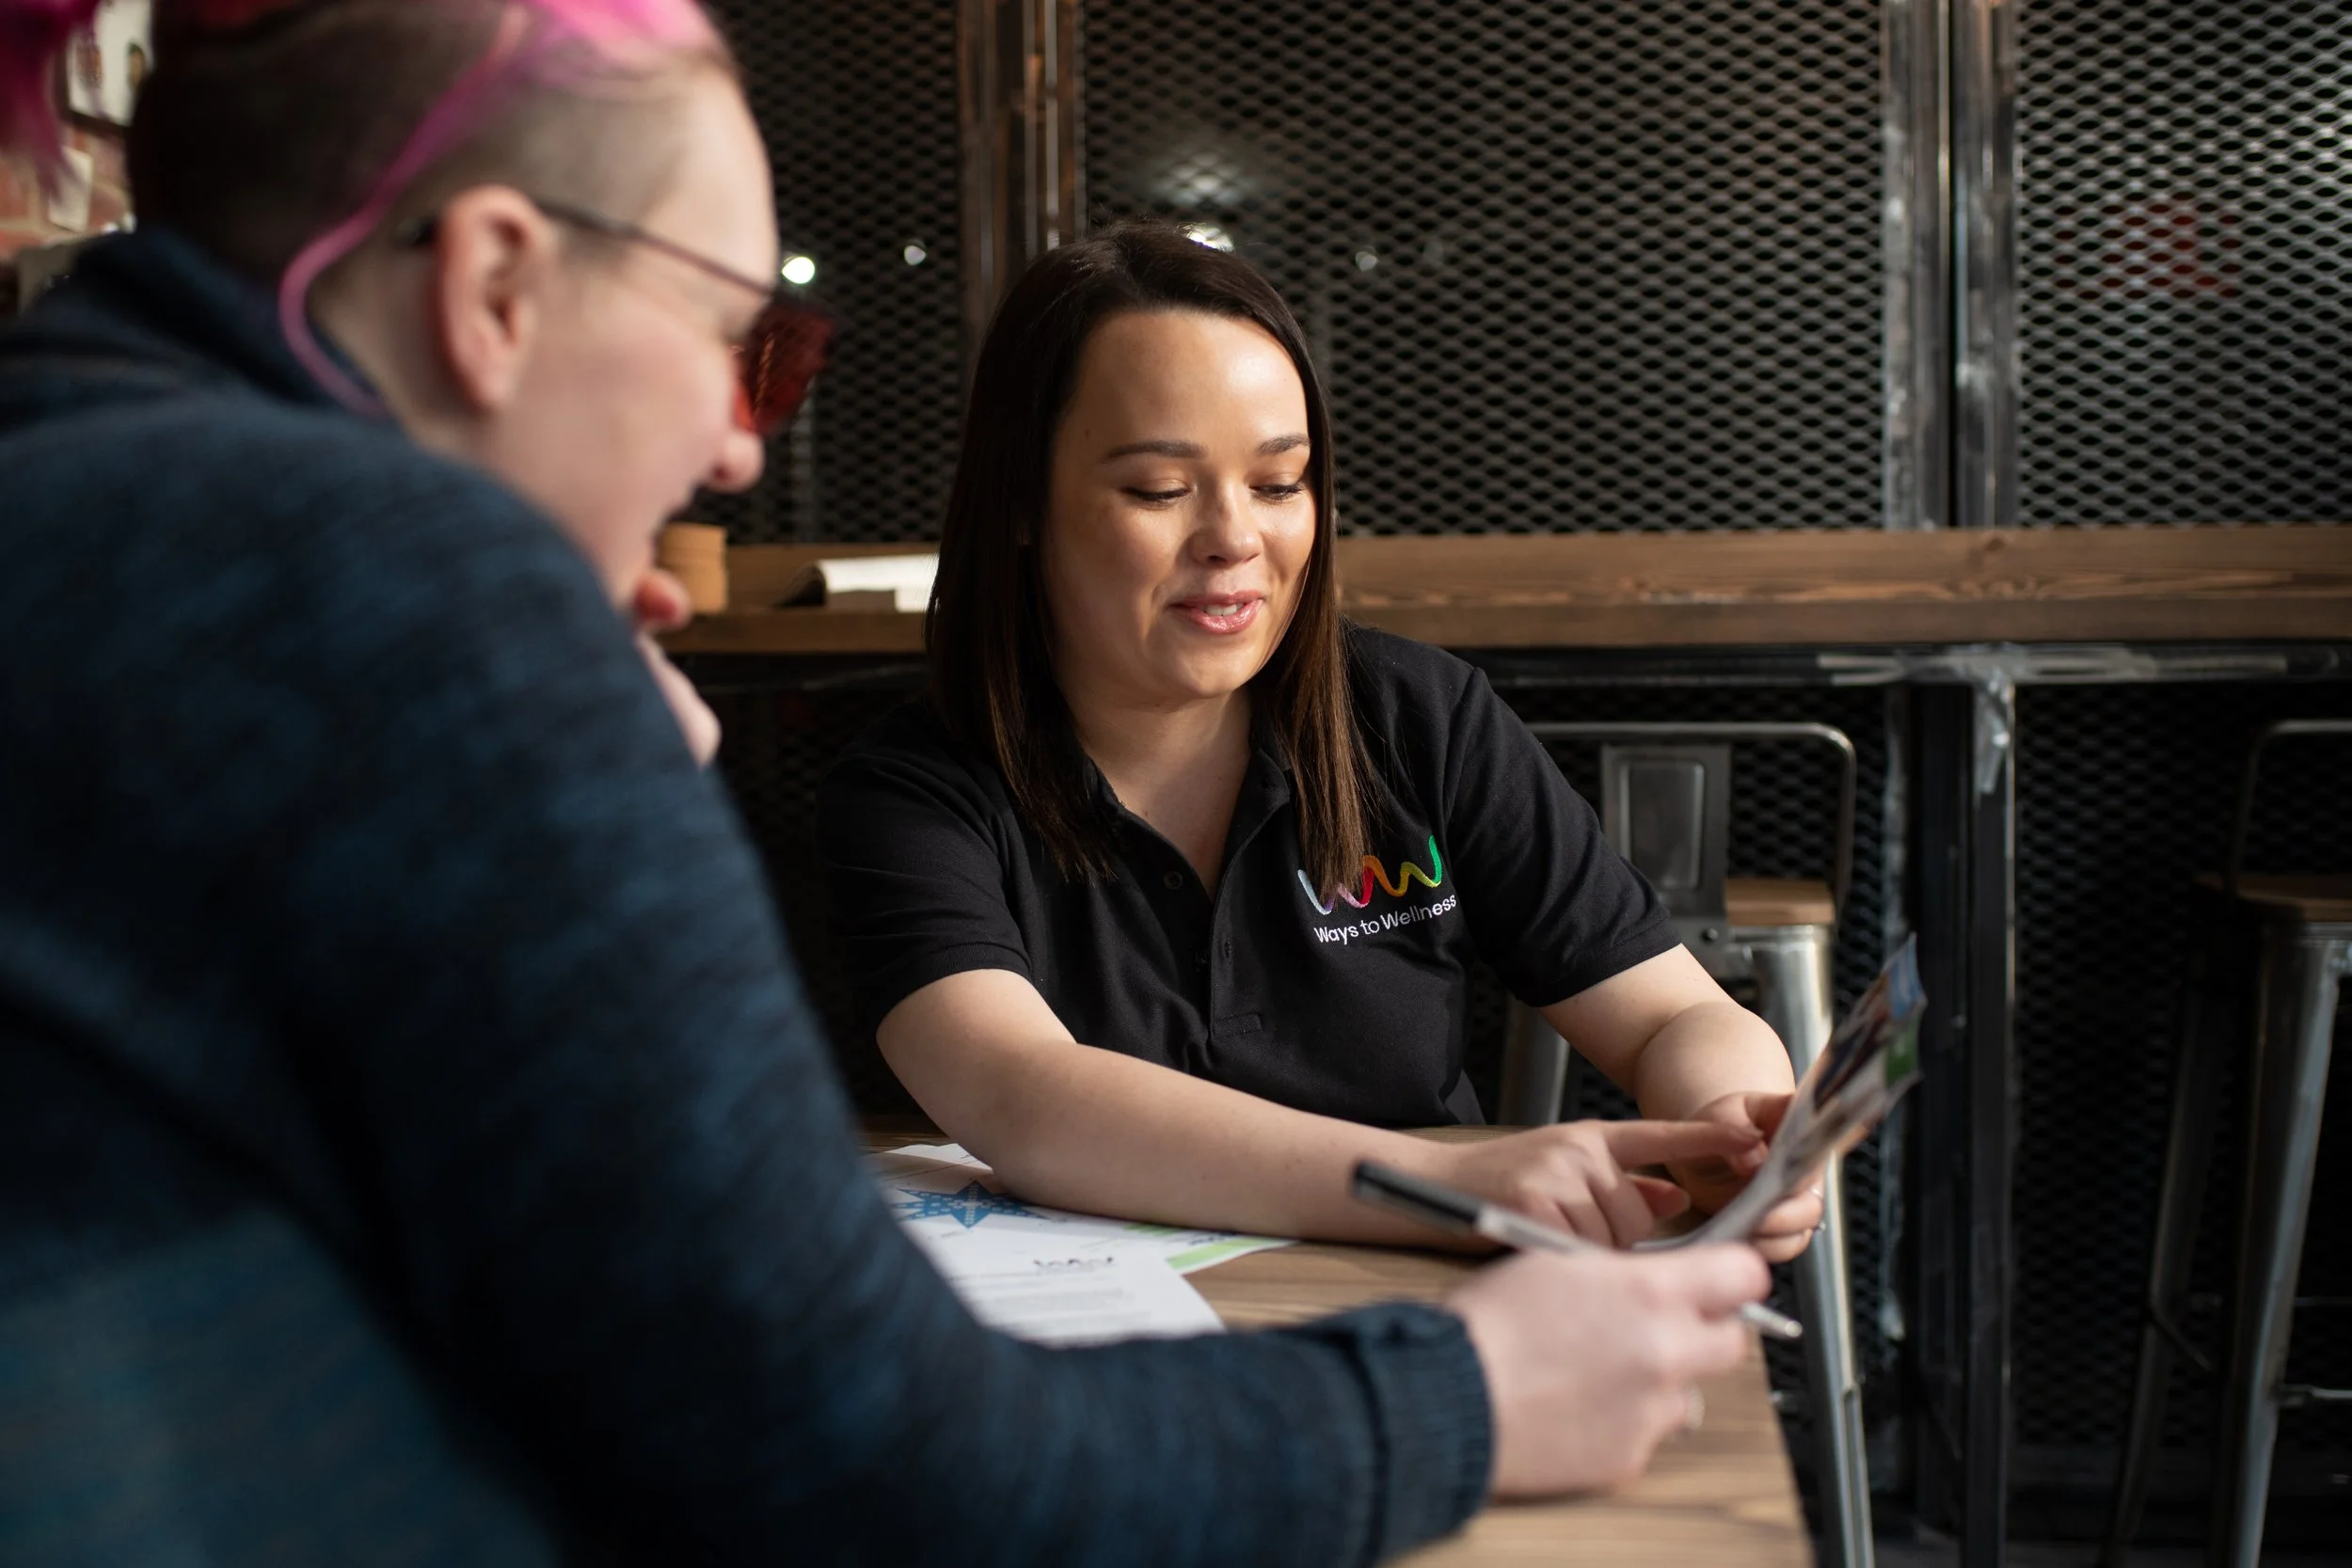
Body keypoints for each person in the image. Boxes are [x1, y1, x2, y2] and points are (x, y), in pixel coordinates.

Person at [0, 2, 1772, 1564]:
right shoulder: (419, 606)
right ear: (493, 286)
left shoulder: (74, 468)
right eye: (736, 335)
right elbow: (866, 1443)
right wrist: (1457, 1397)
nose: (741, 440)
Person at [819, 224, 1825, 1259]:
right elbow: (1025, 1097)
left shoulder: (1417, 719)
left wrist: (1736, 1120)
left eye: (1279, 481)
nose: (1234, 537)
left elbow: (1669, 1014)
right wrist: (1440, 1181)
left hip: (1417, 1320)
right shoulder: (913, 792)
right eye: (1160, 490)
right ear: (1022, 501)